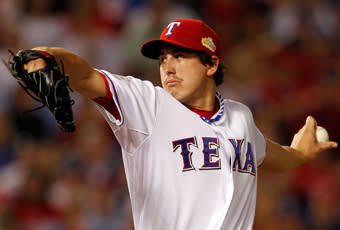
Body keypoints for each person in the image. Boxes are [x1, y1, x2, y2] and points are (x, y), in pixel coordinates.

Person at [22, 19, 337, 230]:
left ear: (211, 63)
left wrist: (299, 154)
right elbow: (86, 74)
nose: (168, 67)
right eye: (162, 59)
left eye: (180, 56)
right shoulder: (147, 105)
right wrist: (45, 56)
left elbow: (268, 154)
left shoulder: (241, 117)